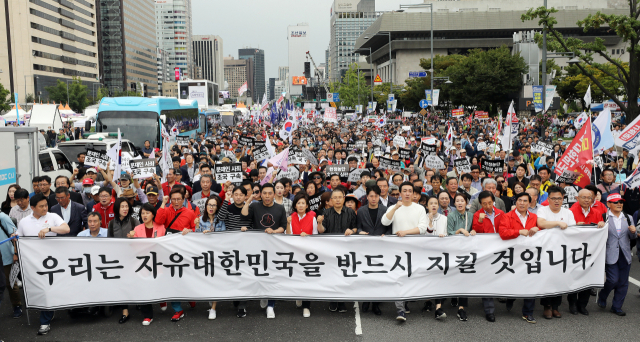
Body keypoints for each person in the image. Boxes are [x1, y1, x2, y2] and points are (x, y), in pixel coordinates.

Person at [15, 193, 70, 335]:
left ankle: (44, 322)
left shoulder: (53, 217)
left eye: (46, 205)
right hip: (32, 262)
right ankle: (48, 310)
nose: (45, 208)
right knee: (39, 290)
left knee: (47, 289)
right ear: (32, 207)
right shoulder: (24, 222)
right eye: (41, 206)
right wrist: (15, 244)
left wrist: (50, 229)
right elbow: (18, 238)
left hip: (51, 262)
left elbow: (66, 229)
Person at [382, 182, 428, 322]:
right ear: (400, 193)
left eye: (410, 191)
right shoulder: (393, 207)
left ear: (414, 194)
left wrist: (405, 233)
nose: (407, 193)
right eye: (404, 191)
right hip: (398, 249)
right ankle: (400, 309)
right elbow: (385, 222)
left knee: (413, 276)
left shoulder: (419, 208)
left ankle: (408, 301)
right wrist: (395, 207)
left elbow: (422, 228)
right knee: (399, 278)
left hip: (415, 248)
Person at [241, 183, 287, 319]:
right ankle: (263, 294)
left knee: (271, 275)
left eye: (269, 193)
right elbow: (244, 216)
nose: (267, 196)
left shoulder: (280, 208)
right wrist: (249, 200)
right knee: (258, 274)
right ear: (261, 194)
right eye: (264, 193)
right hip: (256, 246)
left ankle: (271, 305)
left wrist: (274, 231)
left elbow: (283, 227)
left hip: (273, 246)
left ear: (274, 194)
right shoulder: (255, 206)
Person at [154, 186, 196, 321]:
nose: (176, 202)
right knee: (172, 278)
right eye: (173, 199)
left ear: (184, 199)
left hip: (185, 250)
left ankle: (190, 296)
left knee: (186, 278)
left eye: (179, 199)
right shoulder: (166, 210)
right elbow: (158, 221)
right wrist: (163, 203)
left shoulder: (190, 213)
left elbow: (196, 231)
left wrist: (190, 231)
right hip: (168, 251)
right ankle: (178, 309)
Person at [498, 192, 539, 324]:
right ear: (516, 202)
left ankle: (528, 313)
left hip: (529, 256)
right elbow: (503, 233)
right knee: (513, 281)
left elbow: (543, 232)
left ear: (530, 203)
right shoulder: (507, 216)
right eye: (519, 200)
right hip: (513, 255)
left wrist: (537, 228)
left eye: (525, 201)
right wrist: (518, 232)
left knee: (531, 282)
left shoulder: (534, 216)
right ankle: (511, 298)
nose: (522, 203)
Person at [536, 186, 576, 318]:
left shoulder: (568, 212)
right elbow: (541, 223)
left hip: (563, 250)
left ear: (563, 198)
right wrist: (558, 223)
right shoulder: (543, 210)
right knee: (548, 278)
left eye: (559, 198)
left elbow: (573, 229)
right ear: (548, 199)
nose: (557, 201)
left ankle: (556, 306)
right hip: (546, 250)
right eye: (553, 198)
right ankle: (547, 306)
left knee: (560, 277)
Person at [597, 193, 637, 316]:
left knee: (623, 282)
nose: (619, 204)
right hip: (610, 253)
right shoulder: (604, 217)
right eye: (616, 202)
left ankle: (617, 306)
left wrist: (633, 232)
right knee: (613, 280)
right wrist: (599, 227)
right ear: (608, 204)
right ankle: (603, 295)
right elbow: (596, 237)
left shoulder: (628, 217)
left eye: (621, 202)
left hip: (625, 253)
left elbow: (632, 237)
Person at [285, 193, 324, 318]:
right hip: (295, 252)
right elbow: (288, 235)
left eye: (303, 203)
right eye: (298, 203)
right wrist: (287, 224)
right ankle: (298, 296)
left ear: (307, 205)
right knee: (297, 277)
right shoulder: (291, 217)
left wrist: (307, 237)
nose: (301, 205)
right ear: (295, 205)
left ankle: (306, 306)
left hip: (308, 253)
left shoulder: (312, 217)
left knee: (307, 278)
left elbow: (315, 235)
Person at [128, 204, 165, 325]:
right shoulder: (137, 229)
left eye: (147, 213)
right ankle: (147, 315)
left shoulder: (161, 227)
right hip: (143, 262)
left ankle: (162, 299)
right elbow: (134, 248)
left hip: (158, 261)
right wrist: (132, 239)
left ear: (153, 214)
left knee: (159, 284)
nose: (144, 215)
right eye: (143, 213)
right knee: (143, 286)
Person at [356, 185, 390, 316]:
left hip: (382, 247)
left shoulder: (385, 210)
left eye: (376, 196)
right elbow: (357, 227)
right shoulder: (361, 210)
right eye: (371, 196)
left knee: (379, 276)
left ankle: (376, 304)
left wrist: (385, 235)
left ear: (379, 196)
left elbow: (389, 228)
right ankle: (366, 300)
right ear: (367, 196)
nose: (374, 198)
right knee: (366, 275)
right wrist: (360, 232)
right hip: (366, 247)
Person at [470, 190, 504, 322]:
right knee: (487, 279)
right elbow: (475, 233)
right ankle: (489, 310)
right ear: (480, 204)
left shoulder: (501, 213)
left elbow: (505, 229)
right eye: (485, 204)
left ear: (493, 201)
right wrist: (479, 221)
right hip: (485, 252)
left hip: (501, 250)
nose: (488, 206)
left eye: (490, 203)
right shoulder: (477, 215)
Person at [107, 197, 140, 324]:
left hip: (133, 257)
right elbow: (109, 241)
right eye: (122, 206)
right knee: (122, 284)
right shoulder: (111, 223)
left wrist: (134, 237)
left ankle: (138, 301)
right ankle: (125, 311)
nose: (125, 209)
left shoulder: (134, 221)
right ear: (117, 208)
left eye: (127, 206)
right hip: (118, 259)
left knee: (134, 281)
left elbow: (141, 239)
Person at [445, 193, 473, 321]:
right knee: (452, 276)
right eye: (457, 201)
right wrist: (460, 230)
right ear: (454, 203)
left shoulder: (471, 215)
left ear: (466, 203)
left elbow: (475, 229)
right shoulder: (451, 216)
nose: (460, 203)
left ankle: (461, 308)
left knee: (464, 278)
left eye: (462, 200)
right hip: (453, 250)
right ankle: (453, 295)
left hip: (466, 252)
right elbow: (449, 232)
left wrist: (474, 231)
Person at [0, 210, 21, 318]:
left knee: (9, 283)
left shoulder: (2, 217)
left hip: (5, 255)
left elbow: (15, 234)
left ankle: (17, 305)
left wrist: (15, 253)